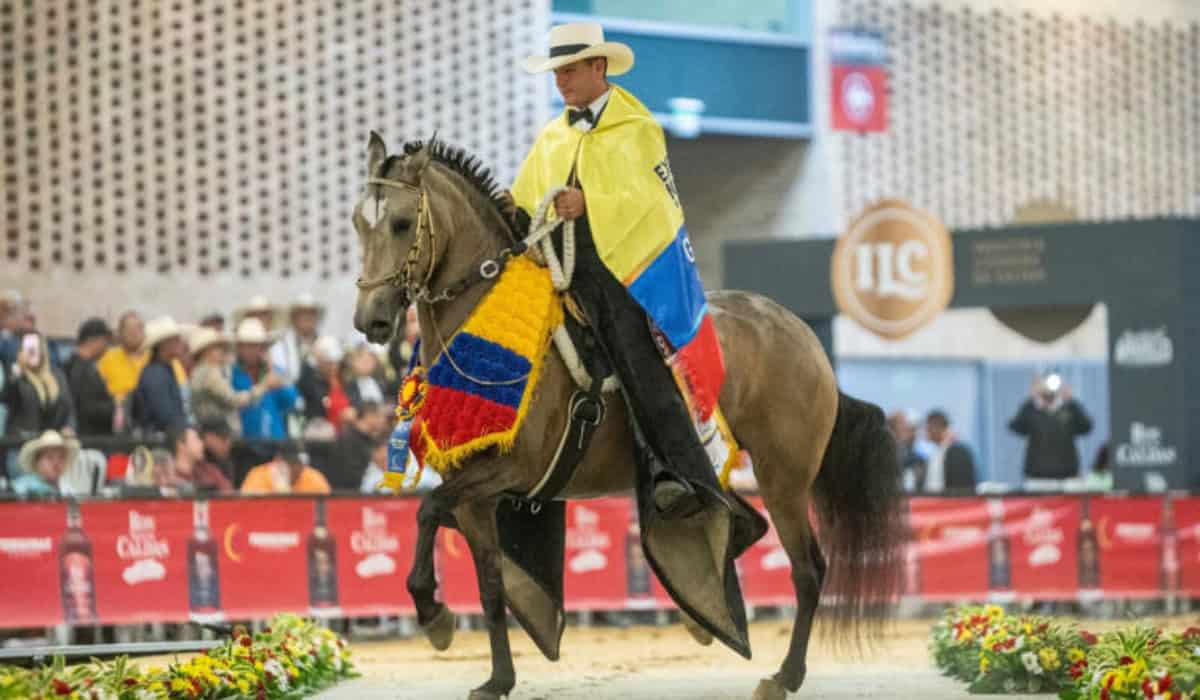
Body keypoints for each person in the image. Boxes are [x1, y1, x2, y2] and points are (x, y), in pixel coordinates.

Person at [506, 23, 719, 517]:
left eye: (571, 70)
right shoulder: (553, 135)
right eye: (557, 71)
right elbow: (522, 200)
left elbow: (653, 205)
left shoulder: (638, 128)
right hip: (557, 271)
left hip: (618, 274)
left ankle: (679, 474)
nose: (561, 81)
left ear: (599, 67)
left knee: (636, 361)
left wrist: (590, 202)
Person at [189, 326, 281, 435]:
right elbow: (233, 400)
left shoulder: (199, 372)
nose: (222, 352)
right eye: (218, 348)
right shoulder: (210, 373)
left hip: (212, 431)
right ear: (206, 352)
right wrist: (263, 386)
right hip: (219, 433)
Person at [1009, 372, 1093, 487]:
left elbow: (1086, 428)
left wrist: (1071, 401)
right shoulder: (1031, 409)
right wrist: (1031, 400)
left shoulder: (1069, 408)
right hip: (1037, 475)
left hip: (1067, 475)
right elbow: (1015, 427)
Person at [231, 318, 297, 439]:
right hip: (246, 444)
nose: (252, 351)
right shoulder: (232, 375)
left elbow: (291, 401)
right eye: (248, 346)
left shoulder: (276, 372)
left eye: (256, 346)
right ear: (239, 348)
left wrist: (277, 379)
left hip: (276, 443)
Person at [2, 331, 76, 437]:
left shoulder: (57, 375)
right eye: (28, 349)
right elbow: (6, 398)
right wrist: (18, 369)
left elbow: (68, 406)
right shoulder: (16, 375)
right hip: (21, 441)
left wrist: (69, 426)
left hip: (51, 440)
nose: (32, 352)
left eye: (35, 348)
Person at [129, 316, 189, 434]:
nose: (180, 343)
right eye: (176, 339)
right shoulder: (155, 375)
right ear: (163, 344)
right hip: (159, 441)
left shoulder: (164, 369)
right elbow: (166, 417)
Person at [63, 318, 116, 437]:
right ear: (92, 340)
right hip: (90, 438)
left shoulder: (72, 365)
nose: (107, 346)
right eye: (105, 341)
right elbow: (87, 407)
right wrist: (113, 407)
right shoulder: (82, 370)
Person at [97, 311, 148, 430]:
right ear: (120, 333)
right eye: (129, 330)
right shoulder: (107, 359)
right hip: (116, 414)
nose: (134, 333)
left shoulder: (153, 359)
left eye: (138, 329)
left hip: (147, 414)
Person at [326, 400, 388, 491]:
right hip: (348, 496)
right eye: (380, 416)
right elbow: (348, 474)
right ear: (369, 416)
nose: (384, 420)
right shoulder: (347, 440)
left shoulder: (373, 440)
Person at [298, 335, 351, 438]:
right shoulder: (309, 382)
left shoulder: (342, 380)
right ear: (318, 362)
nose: (333, 367)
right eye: (328, 363)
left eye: (336, 363)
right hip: (321, 436)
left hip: (342, 435)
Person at [270, 292, 324, 384]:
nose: (308, 317)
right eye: (303, 313)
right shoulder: (280, 347)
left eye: (312, 313)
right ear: (294, 318)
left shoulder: (325, 344)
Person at [240, 441, 331, 495]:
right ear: (277, 460)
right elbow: (248, 510)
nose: (297, 468)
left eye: (300, 463)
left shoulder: (314, 478)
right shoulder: (258, 476)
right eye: (292, 463)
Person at [167, 424, 233, 494]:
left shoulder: (208, 470)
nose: (201, 444)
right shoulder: (168, 475)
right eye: (196, 440)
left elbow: (229, 493)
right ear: (181, 445)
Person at [922, 409, 977, 493]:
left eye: (928, 428)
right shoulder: (936, 453)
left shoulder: (958, 452)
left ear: (937, 427)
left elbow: (962, 487)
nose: (926, 432)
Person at [12, 430, 79, 497]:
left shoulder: (68, 489)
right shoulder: (21, 488)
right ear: (36, 462)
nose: (56, 462)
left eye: (61, 457)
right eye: (49, 458)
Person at [887, 410, 928, 492]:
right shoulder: (885, 456)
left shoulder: (919, 460)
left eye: (913, 429)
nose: (913, 433)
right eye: (903, 426)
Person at [197, 418, 237, 486]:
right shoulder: (197, 464)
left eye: (229, 438)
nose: (228, 444)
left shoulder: (226, 460)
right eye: (223, 438)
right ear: (208, 437)